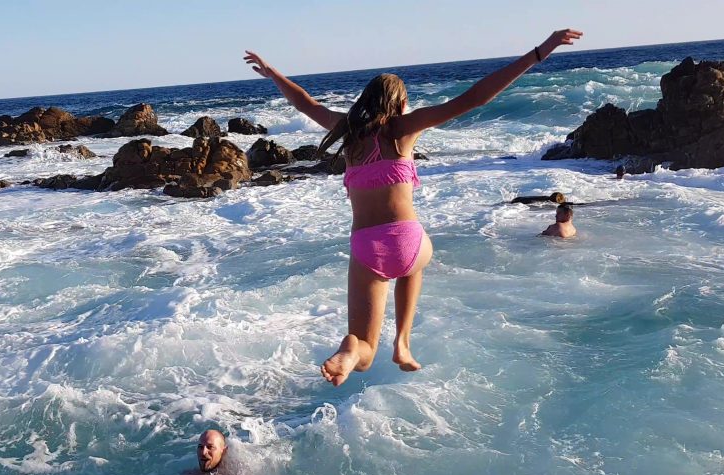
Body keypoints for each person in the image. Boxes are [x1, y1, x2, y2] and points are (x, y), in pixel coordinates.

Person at [246, 28, 583, 385]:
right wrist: (539, 52)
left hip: (365, 247)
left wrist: (272, 73)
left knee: (364, 353)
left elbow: (305, 103)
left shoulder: (347, 131)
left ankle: (350, 350)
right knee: (415, 260)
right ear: (398, 103)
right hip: (407, 240)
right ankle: (404, 342)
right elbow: (475, 98)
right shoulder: (403, 129)